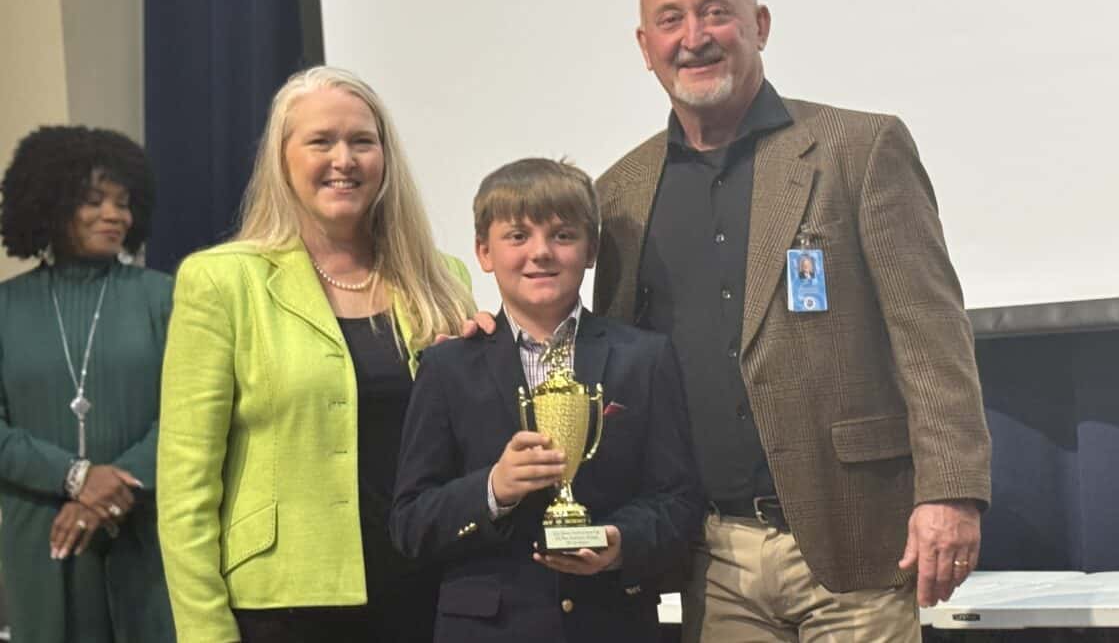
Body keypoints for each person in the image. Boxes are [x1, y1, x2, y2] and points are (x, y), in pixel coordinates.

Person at [592, 0, 992, 640]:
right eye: (671, 20)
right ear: (645, 45)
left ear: (760, 25)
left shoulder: (858, 149)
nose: (695, 37)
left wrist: (951, 493)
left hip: (857, 542)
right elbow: (610, 360)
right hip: (711, 561)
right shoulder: (619, 193)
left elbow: (930, 334)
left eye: (716, 12)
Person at [157, 66, 475, 642]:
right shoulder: (221, 281)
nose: (344, 160)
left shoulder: (442, 279)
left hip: (426, 593)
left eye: (362, 141)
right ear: (281, 159)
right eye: (321, 141)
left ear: (386, 157)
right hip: (283, 609)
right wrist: (205, 632)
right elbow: (185, 490)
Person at [392, 158, 705, 643]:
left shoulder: (644, 357)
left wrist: (621, 542)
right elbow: (410, 523)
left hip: (612, 625)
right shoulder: (447, 366)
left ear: (591, 249)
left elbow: (679, 501)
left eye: (562, 235)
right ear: (484, 252)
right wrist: (493, 489)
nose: (540, 252)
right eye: (517, 236)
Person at [0, 126, 175, 642]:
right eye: (94, 200)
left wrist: (117, 484)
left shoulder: (166, 297)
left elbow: (193, 415)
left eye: (124, 202)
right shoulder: (5, 307)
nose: (114, 215)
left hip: (147, 533)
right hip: (44, 538)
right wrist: (74, 478)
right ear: (50, 203)